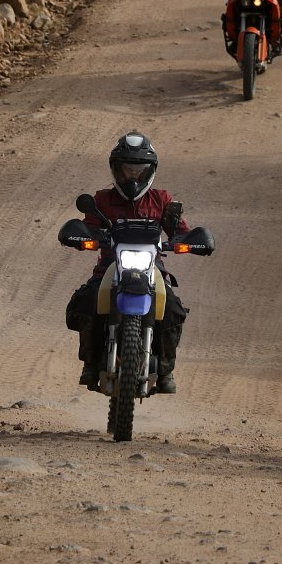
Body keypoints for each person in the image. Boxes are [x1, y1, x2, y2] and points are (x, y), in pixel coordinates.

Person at [65, 131, 191, 394]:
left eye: (139, 170)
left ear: (150, 171)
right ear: (116, 169)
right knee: (87, 301)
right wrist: (83, 237)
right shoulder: (101, 200)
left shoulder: (162, 199)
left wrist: (189, 240)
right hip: (109, 267)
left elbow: (180, 230)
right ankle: (90, 363)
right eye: (127, 170)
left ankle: (166, 369)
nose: (132, 176)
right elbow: (89, 227)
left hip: (152, 269)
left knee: (173, 308)